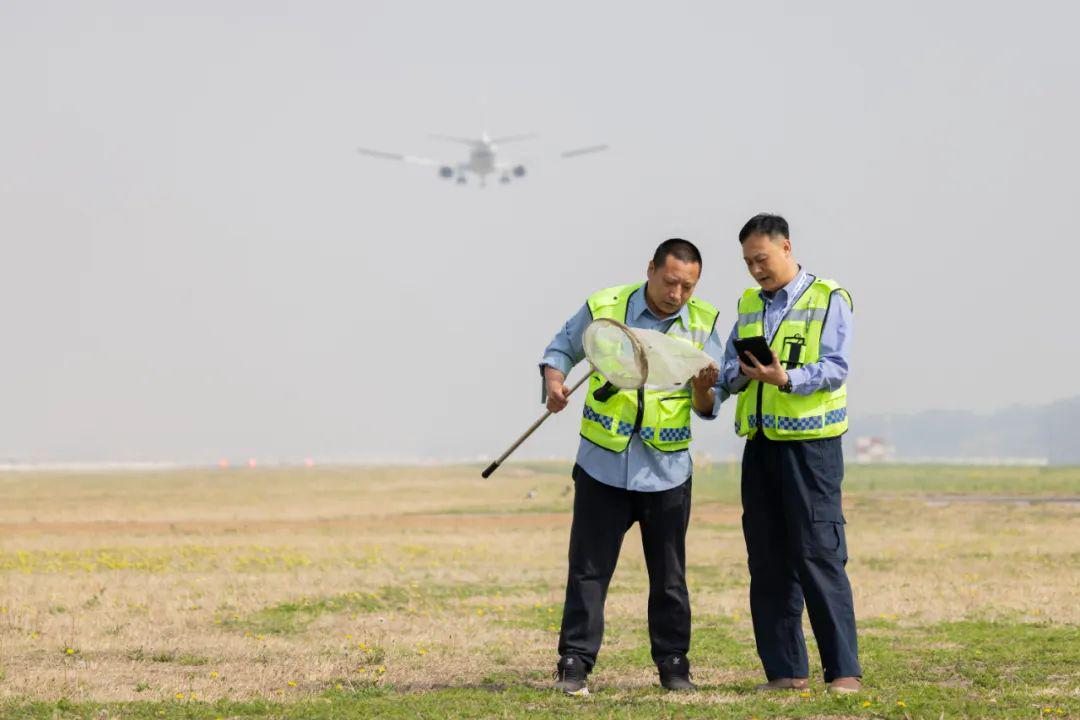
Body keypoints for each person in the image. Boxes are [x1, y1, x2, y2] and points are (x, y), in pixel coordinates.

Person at [540, 239, 723, 695]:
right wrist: (554, 383)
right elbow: (560, 350)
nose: (677, 294)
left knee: (670, 577)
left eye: (688, 286)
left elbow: (709, 405)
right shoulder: (606, 307)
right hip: (603, 466)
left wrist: (703, 389)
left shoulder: (705, 323)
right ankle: (574, 663)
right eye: (670, 282)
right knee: (588, 571)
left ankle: (674, 666)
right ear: (651, 270)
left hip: (667, 473)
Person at [719, 213, 862, 693]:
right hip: (760, 447)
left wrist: (786, 379)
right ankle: (785, 673)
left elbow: (836, 367)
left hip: (811, 449)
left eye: (761, 259)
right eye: (747, 262)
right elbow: (729, 370)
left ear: (786, 248)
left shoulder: (828, 297)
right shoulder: (746, 303)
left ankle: (843, 672)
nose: (755, 270)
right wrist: (727, 377)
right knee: (767, 560)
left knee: (818, 555)